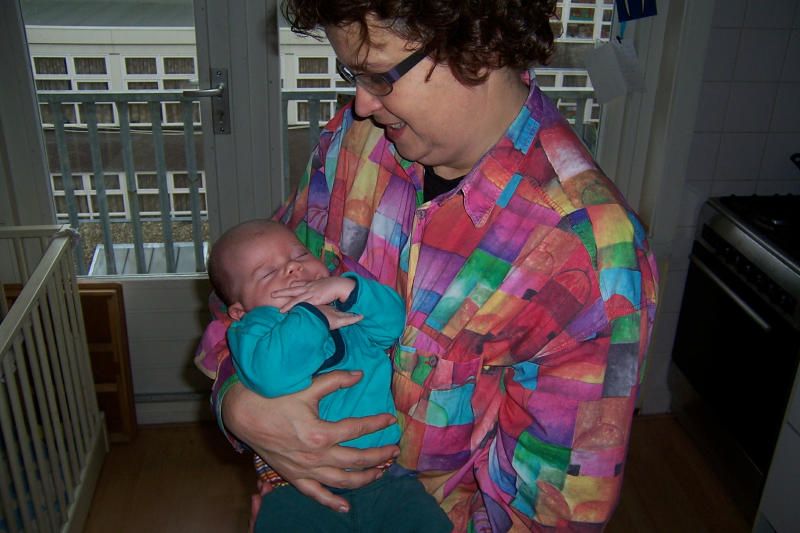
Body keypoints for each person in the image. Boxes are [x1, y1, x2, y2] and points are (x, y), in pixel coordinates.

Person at [195, 0, 659, 530]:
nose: (362, 103)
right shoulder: (357, 142)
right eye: (353, 75)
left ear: (479, 47)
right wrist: (240, 406)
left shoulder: (591, 256)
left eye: (378, 76)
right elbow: (239, 297)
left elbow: (549, 518)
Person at [203, 219, 453, 532]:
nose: (293, 268)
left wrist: (347, 288)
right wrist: (313, 317)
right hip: (298, 489)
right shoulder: (253, 330)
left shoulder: (345, 309)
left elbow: (392, 325)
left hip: (386, 478)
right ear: (240, 311)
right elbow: (272, 374)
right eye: (267, 273)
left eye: (300, 255)